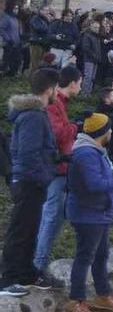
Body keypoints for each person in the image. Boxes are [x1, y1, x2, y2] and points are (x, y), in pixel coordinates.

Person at [0, 68, 60, 297]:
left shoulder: (36, 113)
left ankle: (25, 273)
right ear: (50, 89)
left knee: (29, 228)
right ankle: (8, 279)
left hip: (32, 180)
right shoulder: (34, 116)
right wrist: (43, 175)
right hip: (29, 182)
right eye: (56, 88)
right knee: (20, 230)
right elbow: (27, 153)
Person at [63, 112, 113, 312]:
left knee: (101, 255)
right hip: (87, 214)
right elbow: (94, 185)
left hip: (99, 213)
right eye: (108, 129)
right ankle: (76, 301)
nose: (111, 132)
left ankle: (102, 295)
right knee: (84, 257)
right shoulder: (86, 154)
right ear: (101, 132)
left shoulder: (97, 151)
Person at [33, 66, 82, 280]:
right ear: (72, 83)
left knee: (56, 216)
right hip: (56, 169)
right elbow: (58, 134)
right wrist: (75, 127)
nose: (80, 87)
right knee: (51, 217)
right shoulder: (55, 105)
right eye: (80, 83)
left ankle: (38, 260)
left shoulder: (60, 103)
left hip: (61, 168)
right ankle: (37, 265)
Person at [28, 5, 54, 74]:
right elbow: (39, 28)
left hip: (43, 43)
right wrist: (49, 23)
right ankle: (32, 80)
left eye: (48, 11)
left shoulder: (45, 20)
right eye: (46, 10)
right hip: (36, 43)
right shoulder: (36, 18)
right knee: (35, 63)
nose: (47, 12)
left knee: (41, 63)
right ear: (41, 11)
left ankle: (38, 79)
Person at [1, 0, 23, 76]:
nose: (17, 10)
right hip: (9, 44)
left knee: (16, 60)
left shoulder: (15, 18)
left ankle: (11, 75)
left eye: (17, 8)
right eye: (15, 8)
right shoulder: (6, 18)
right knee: (6, 61)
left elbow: (16, 32)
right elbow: (1, 29)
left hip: (16, 44)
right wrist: (8, 39)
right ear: (10, 8)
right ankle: (2, 74)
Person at [80, 20, 102, 95]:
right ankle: (84, 93)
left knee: (92, 78)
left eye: (97, 28)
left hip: (95, 59)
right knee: (88, 77)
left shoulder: (97, 36)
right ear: (90, 27)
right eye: (95, 27)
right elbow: (86, 48)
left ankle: (88, 93)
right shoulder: (87, 35)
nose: (96, 29)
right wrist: (94, 56)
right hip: (89, 59)